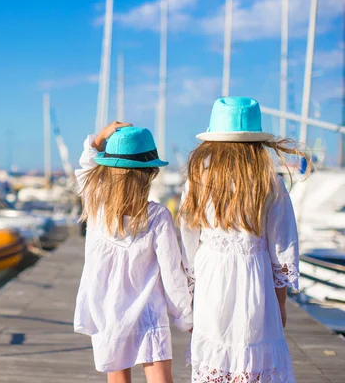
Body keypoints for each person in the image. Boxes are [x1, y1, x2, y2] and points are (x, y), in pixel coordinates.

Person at [178, 97, 308, 382]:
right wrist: (281, 302)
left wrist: (189, 297)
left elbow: (188, 242)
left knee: (216, 355)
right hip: (256, 282)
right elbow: (282, 246)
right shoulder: (269, 181)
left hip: (212, 279)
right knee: (254, 356)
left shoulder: (198, 179)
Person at [74, 122, 193, 383]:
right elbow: (173, 275)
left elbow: (86, 168)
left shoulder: (94, 204)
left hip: (107, 310)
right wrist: (185, 317)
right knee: (160, 378)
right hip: (149, 310)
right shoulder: (157, 216)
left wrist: (100, 138)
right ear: (150, 174)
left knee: (117, 379)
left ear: (107, 170)